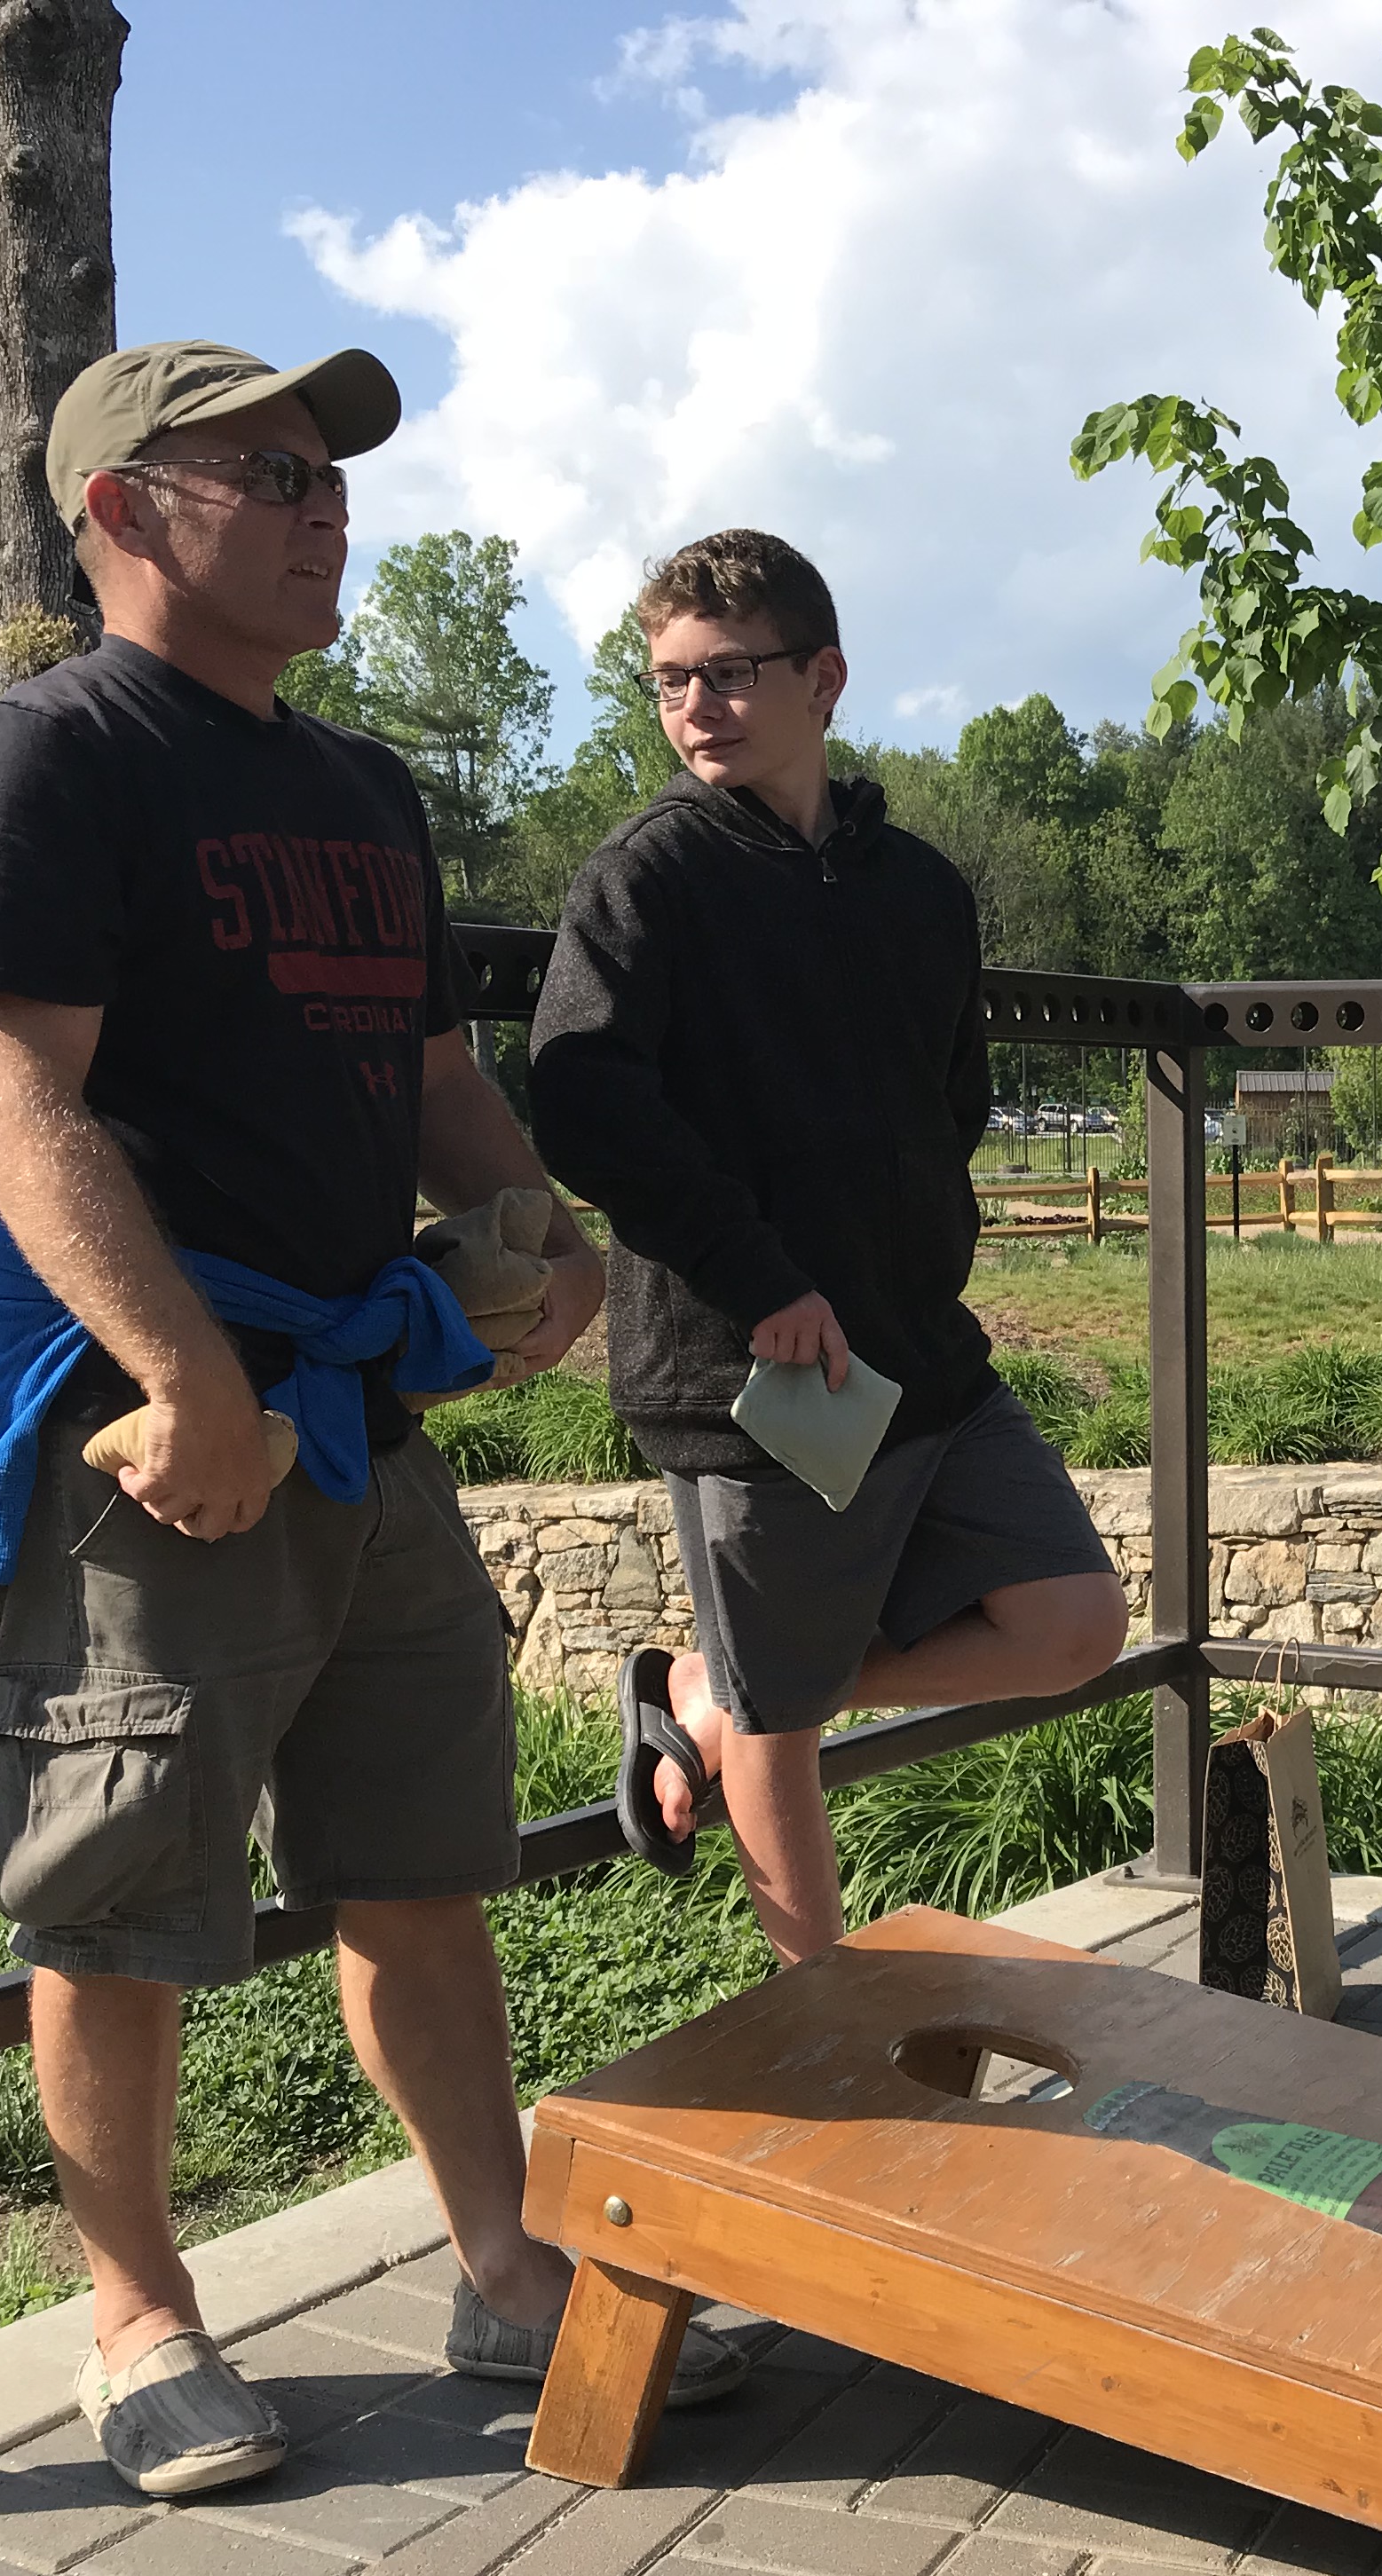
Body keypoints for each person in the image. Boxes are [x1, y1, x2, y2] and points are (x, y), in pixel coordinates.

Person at [0, 340, 743, 2499]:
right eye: (269, 474)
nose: (325, 507)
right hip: (151, 1433)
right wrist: (185, 1376)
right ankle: (136, 2323)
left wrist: (537, 1233)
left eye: (332, 475)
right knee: (116, 1895)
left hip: (361, 1415)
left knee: (421, 1872)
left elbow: (435, 1075)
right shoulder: (45, 761)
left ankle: (503, 2270)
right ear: (118, 512)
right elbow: (11, 1096)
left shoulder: (365, 788)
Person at [528, 531, 1128, 1964]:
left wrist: (909, 1255)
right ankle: (828, 2016)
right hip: (760, 1372)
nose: (696, 706)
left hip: (921, 1354)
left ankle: (710, 1690)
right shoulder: (646, 879)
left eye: (731, 673)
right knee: (783, 1729)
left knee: (1075, 1624)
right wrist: (763, 1279)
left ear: (825, 679)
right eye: (669, 680)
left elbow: (951, 1105)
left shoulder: (921, 889)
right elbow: (581, 1103)